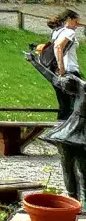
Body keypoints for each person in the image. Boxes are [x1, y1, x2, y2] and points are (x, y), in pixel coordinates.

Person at [26, 45, 85, 200]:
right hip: (70, 132)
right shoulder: (79, 87)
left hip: (79, 134)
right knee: (68, 167)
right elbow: (53, 79)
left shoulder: (81, 87)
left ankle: (82, 202)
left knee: (83, 169)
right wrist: (34, 62)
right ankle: (73, 200)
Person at [51, 9, 82, 120]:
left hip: (58, 73)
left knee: (65, 106)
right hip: (70, 71)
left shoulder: (57, 31)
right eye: (76, 22)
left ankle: (58, 132)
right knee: (78, 104)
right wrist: (62, 68)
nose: (77, 25)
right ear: (68, 19)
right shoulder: (69, 32)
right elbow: (59, 47)